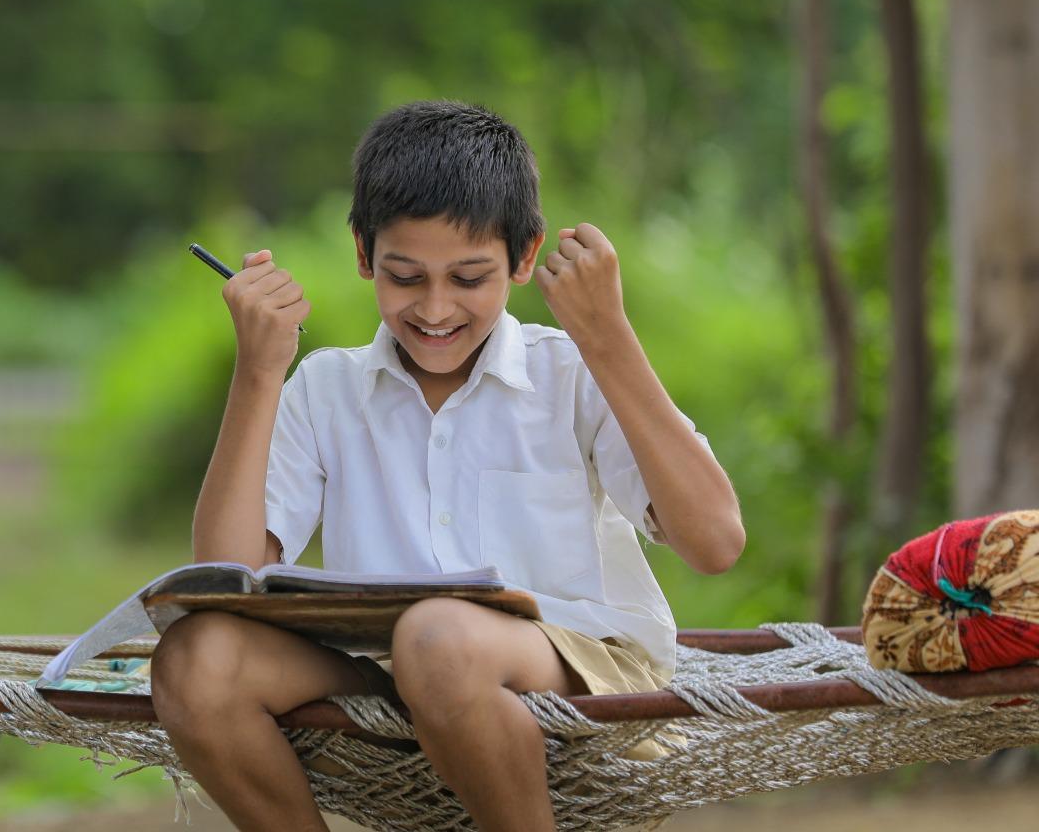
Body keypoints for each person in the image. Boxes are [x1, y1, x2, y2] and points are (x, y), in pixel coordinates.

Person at [150, 100, 745, 832]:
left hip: (583, 664)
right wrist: (258, 373)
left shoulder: (569, 372)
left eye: (469, 279)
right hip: (388, 668)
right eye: (405, 277)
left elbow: (715, 542)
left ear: (525, 257)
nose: (435, 308)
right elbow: (227, 575)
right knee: (195, 658)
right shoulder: (326, 389)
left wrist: (607, 335)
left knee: (437, 636)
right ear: (364, 254)